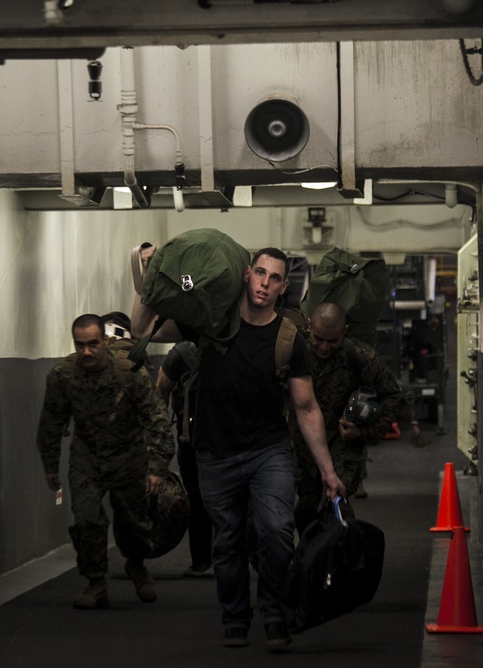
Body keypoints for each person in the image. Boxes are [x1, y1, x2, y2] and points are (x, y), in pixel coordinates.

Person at [190, 247, 345, 650]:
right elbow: (146, 325)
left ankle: (274, 610)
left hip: (268, 450)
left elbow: (306, 407)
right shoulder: (213, 322)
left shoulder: (289, 338)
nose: (265, 283)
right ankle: (235, 617)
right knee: (226, 541)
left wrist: (328, 471)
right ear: (246, 275)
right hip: (215, 452)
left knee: (276, 530)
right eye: (260, 273)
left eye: (274, 277)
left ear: (283, 287)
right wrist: (146, 276)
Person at [36, 313, 176, 610]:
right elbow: (51, 421)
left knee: (134, 524)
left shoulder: (130, 373)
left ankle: (136, 564)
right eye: (80, 345)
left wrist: (157, 468)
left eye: (93, 344)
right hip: (87, 459)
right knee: (87, 519)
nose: (86, 351)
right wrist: (50, 465)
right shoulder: (64, 375)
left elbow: (157, 420)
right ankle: (96, 582)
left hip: (129, 457)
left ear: (106, 341)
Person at [292, 302, 402, 533]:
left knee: (334, 502)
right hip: (303, 445)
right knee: (306, 509)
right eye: (318, 338)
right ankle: (311, 561)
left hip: (343, 444)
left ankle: (344, 560)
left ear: (345, 331)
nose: (323, 347)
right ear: (310, 327)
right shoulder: (294, 349)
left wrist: (364, 432)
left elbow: (392, 394)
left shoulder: (359, 357)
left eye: (332, 341)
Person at [155, 340, 215, 579]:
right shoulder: (234, 342)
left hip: (189, 437)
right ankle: (231, 557)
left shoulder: (180, 352)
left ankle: (201, 561)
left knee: (197, 498)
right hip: (228, 438)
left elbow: (160, 390)